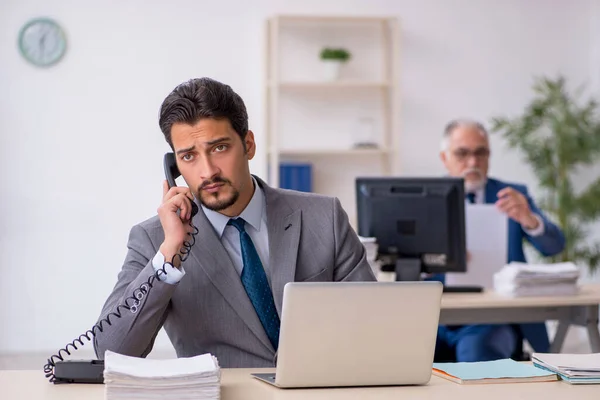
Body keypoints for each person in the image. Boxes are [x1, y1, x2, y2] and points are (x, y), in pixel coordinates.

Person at [93, 77, 376, 368]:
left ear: (248, 145)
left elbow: (375, 324)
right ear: (174, 168)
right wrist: (169, 255)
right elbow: (112, 352)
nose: (207, 171)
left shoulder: (323, 217)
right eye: (188, 156)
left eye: (219, 148)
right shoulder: (154, 239)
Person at [434, 119, 566, 362]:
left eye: (480, 153)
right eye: (462, 153)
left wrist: (530, 219)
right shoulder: (428, 198)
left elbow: (555, 246)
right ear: (445, 158)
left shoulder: (513, 194)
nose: (473, 162)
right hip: (435, 315)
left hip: (494, 316)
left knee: (478, 352)